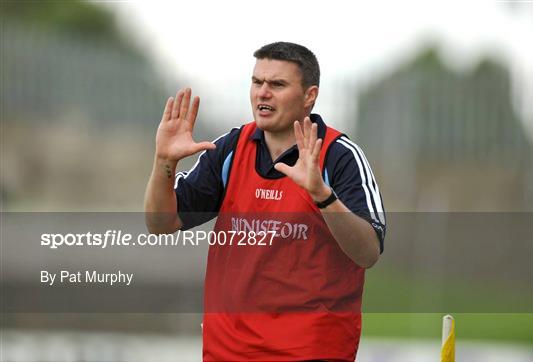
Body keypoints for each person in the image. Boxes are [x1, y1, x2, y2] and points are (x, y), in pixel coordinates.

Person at [144, 42, 386, 361]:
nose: (263, 93)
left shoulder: (339, 157)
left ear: (309, 96)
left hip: (310, 350)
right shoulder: (230, 149)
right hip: (228, 351)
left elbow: (368, 252)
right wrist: (164, 163)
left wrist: (322, 196)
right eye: (257, 82)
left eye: (278, 84)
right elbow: (161, 223)